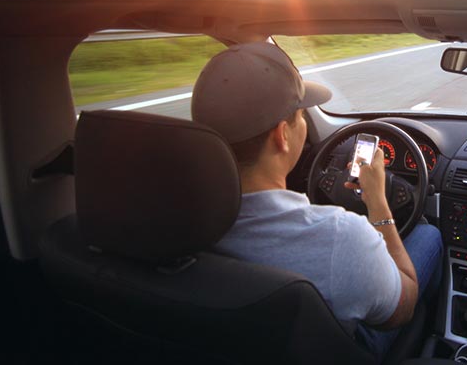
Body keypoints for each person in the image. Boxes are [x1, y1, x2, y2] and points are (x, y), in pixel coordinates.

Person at [190, 42, 443, 362]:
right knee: (429, 236)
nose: (305, 124)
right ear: (282, 135)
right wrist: (378, 202)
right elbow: (403, 307)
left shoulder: (169, 221)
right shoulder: (341, 236)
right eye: (300, 115)